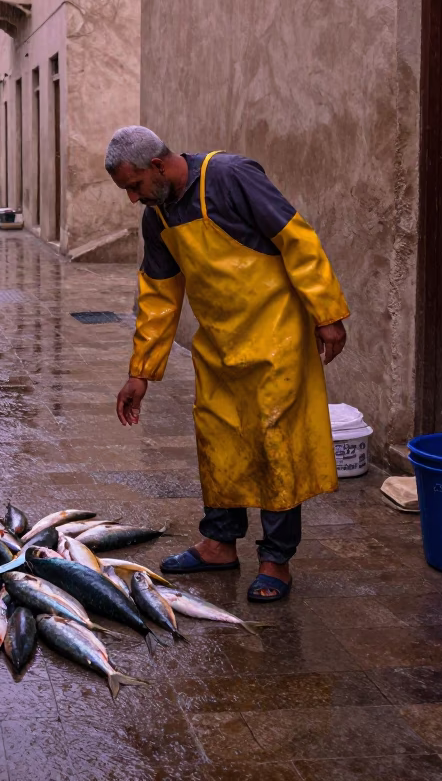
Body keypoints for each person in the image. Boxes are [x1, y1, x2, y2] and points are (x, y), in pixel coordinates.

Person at [105, 126, 349, 602]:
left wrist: (327, 314)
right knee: (219, 438)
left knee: (274, 442)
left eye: (134, 186)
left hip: (277, 336)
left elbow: (296, 239)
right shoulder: (158, 217)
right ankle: (219, 542)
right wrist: (140, 372)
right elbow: (158, 297)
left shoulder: (231, 176)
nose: (133, 199)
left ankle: (276, 560)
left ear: (157, 165)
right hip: (217, 345)